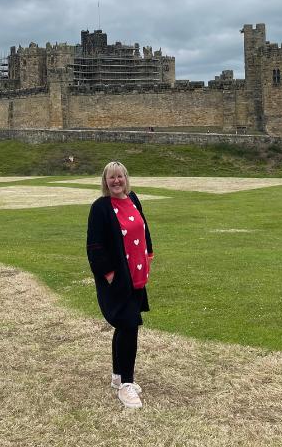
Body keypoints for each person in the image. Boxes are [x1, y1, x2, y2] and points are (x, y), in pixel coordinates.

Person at [86, 161, 154, 409]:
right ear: (105, 181)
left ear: (126, 178)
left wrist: (148, 256)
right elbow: (94, 246)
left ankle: (118, 377)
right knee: (129, 325)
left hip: (136, 275)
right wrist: (110, 274)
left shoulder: (133, 199)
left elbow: (143, 228)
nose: (116, 181)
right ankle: (127, 383)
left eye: (120, 177)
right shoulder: (100, 207)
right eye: (111, 178)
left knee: (126, 326)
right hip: (117, 279)